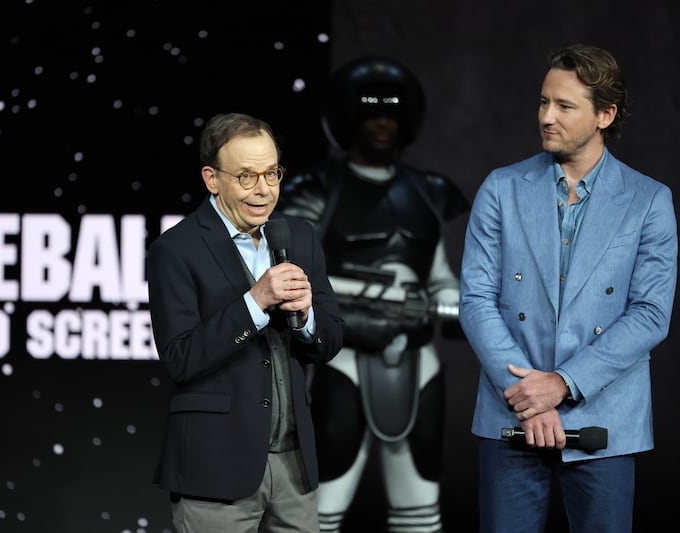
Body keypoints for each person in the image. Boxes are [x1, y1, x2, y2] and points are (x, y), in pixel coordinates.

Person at [459, 43, 677, 533]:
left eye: (564, 105)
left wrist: (561, 384)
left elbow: (649, 314)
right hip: (511, 413)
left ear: (605, 114)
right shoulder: (501, 188)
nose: (547, 117)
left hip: (606, 419)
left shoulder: (648, 201)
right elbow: (475, 299)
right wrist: (528, 397)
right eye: (543, 102)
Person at [279, 56, 468, 533]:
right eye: (370, 113)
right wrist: (350, 320)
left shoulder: (427, 193)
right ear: (348, 118)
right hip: (342, 358)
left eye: (392, 114)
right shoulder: (315, 190)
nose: (383, 124)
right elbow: (289, 279)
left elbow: (439, 276)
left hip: (417, 361)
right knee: (320, 506)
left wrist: (454, 303)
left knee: (419, 506)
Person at [147, 112, 345, 533]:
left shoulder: (299, 237)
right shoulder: (176, 249)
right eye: (246, 177)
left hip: (294, 466)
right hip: (215, 469)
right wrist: (255, 303)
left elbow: (330, 340)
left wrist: (306, 317)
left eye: (272, 173)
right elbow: (181, 357)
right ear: (212, 179)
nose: (264, 190)